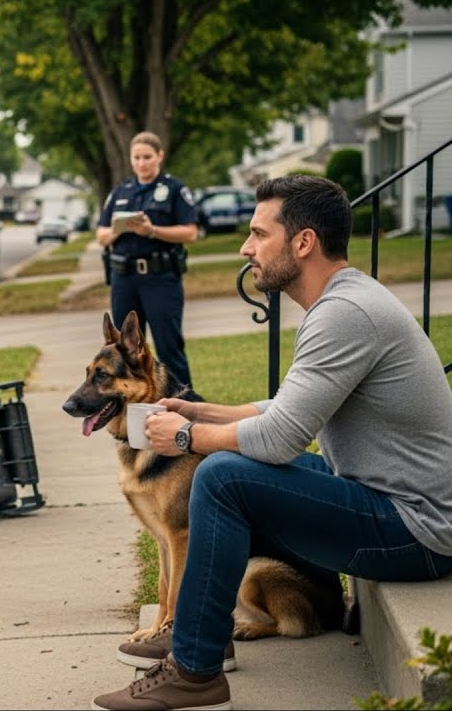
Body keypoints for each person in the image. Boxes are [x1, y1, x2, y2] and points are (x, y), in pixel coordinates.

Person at [92, 175, 452, 710]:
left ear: (302, 242)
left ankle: (195, 672)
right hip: (386, 503)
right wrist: (198, 409)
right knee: (228, 466)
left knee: (219, 473)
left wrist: (188, 435)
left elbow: (281, 438)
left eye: (259, 234)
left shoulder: (344, 315)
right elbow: (285, 410)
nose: (245, 248)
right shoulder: (342, 303)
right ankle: (196, 629)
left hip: (414, 531)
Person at [96, 131, 199, 390]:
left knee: (168, 345)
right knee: (123, 348)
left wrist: (152, 231)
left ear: (160, 156)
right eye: (137, 157)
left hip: (160, 278)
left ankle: (182, 403)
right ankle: (131, 404)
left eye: (147, 157)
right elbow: (101, 235)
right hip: (124, 279)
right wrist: (118, 229)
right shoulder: (120, 192)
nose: (142, 163)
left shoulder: (175, 190)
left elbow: (190, 232)